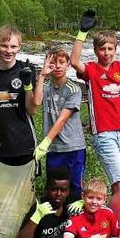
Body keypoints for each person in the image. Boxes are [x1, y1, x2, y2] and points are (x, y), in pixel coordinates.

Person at [70, 7, 120, 218]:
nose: (106, 53)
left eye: (110, 49)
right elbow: (74, 62)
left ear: (115, 50)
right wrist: (82, 32)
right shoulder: (91, 70)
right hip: (103, 134)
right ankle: (113, 228)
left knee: (118, 188)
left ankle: (109, 223)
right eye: (102, 49)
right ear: (96, 51)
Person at [0, 25, 40, 166]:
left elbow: (32, 110)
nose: (9, 51)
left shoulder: (27, 69)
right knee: (0, 187)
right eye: (4, 46)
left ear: (19, 47)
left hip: (24, 145)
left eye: (13, 46)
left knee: (25, 188)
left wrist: (28, 85)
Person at [35, 46, 86, 198]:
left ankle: (74, 219)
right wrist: (42, 76)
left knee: (74, 187)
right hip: (54, 149)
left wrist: (44, 142)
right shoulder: (45, 87)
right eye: (52, 63)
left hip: (73, 147)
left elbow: (62, 119)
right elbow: (37, 102)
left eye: (61, 62)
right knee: (54, 189)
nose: (57, 66)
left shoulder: (73, 89)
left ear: (68, 64)